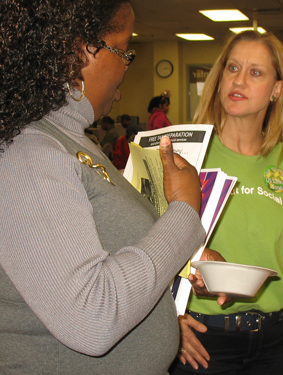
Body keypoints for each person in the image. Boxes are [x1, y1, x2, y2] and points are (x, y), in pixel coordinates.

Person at [0, 1, 206, 374]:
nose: (127, 64)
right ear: (82, 50)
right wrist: (185, 212)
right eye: (124, 49)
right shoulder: (28, 151)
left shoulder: (71, 140)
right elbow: (92, 316)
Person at [169, 30, 283, 375]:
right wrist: (169, 320)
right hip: (204, 338)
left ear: (277, 89)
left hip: (275, 336)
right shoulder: (187, 155)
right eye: (232, 68)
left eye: (255, 72)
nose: (239, 80)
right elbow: (147, 245)